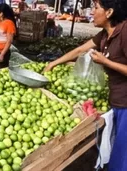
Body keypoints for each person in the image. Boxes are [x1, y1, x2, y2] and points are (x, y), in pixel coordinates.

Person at [44, 0, 127, 170]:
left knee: (122, 155)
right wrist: (54, 63)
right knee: (116, 149)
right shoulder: (105, 35)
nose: (91, 12)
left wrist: (106, 62)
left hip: (126, 103)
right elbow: (80, 50)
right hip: (116, 101)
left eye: (96, 8)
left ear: (109, 12)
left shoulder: (125, 32)